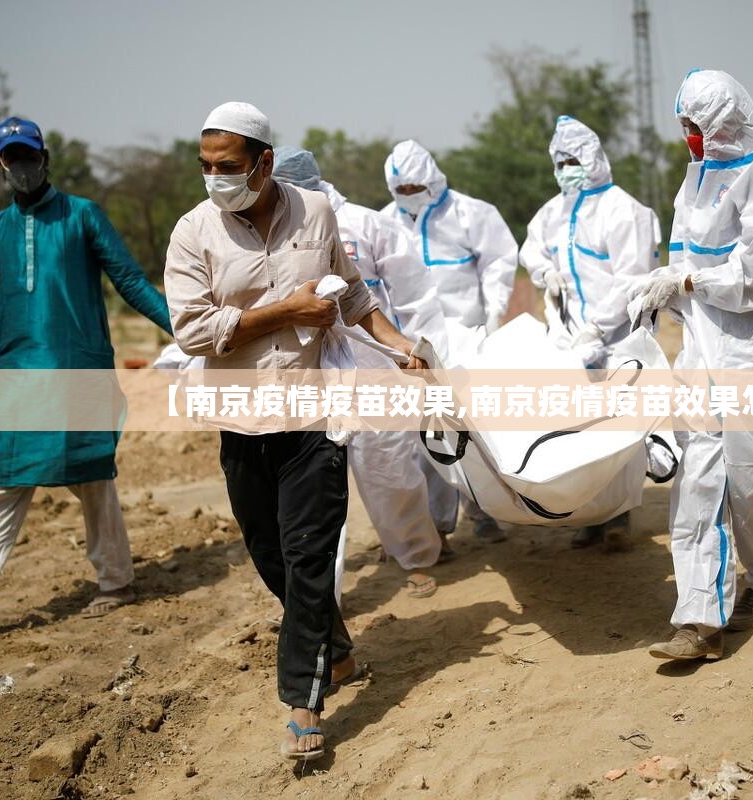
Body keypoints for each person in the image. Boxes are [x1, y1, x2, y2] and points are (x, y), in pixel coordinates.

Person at [165, 102, 426, 761]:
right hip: (240, 417)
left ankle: (304, 705)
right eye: (206, 166)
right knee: (271, 555)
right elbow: (193, 331)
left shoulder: (316, 213)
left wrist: (402, 348)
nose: (216, 178)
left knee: (310, 558)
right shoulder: (193, 233)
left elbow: (356, 296)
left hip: (315, 416)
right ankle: (334, 649)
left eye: (228, 166)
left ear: (265, 162)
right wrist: (282, 309)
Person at [0, 116, 173, 645]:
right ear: (0, 164)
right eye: (12, 159)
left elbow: (128, 279)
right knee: (0, 479)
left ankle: (116, 580)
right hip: (16, 373)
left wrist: (189, 328)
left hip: (76, 365)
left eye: (29, 157)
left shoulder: (83, 215)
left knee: (91, 474)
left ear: (46, 158)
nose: (22, 167)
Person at [633, 70, 753, 661]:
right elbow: (679, 256)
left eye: (698, 127)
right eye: (685, 127)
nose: (691, 138)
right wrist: (662, 290)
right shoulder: (693, 182)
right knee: (697, 481)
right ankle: (701, 618)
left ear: (727, 121)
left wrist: (688, 280)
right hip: (703, 352)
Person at [272, 146, 451, 597]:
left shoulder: (366, 224)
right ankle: (319, 597)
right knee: (310, 489)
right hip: (307, 376)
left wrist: (422, 351)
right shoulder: (271, 232)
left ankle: (416, 554)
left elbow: (414, 295)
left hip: (374, 370)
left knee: (389, 470)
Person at [520, 114, 661, 550]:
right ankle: (592, 514)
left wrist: (598, 329)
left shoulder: (624, 210)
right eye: (559, 162)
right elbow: (530, 245)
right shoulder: (554, 211)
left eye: (573, 159)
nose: (566, 169)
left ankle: (619, 516)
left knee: (618, 426)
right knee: (579, 427)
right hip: (569, 336)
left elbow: (632, 278)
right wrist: (544, 270)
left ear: (594, 158)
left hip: (617, 336)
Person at [380, 139, 518, 545]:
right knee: (426, 438)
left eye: (414, 189)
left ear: (433, 181)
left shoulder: (471, 214)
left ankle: (486, 511)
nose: (408, 197)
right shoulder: (386, 222)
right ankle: (437, 526)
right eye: (400, 191)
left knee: (477, 432)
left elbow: (499, 262)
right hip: (413, 349)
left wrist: (494, 311)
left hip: (465, 340)